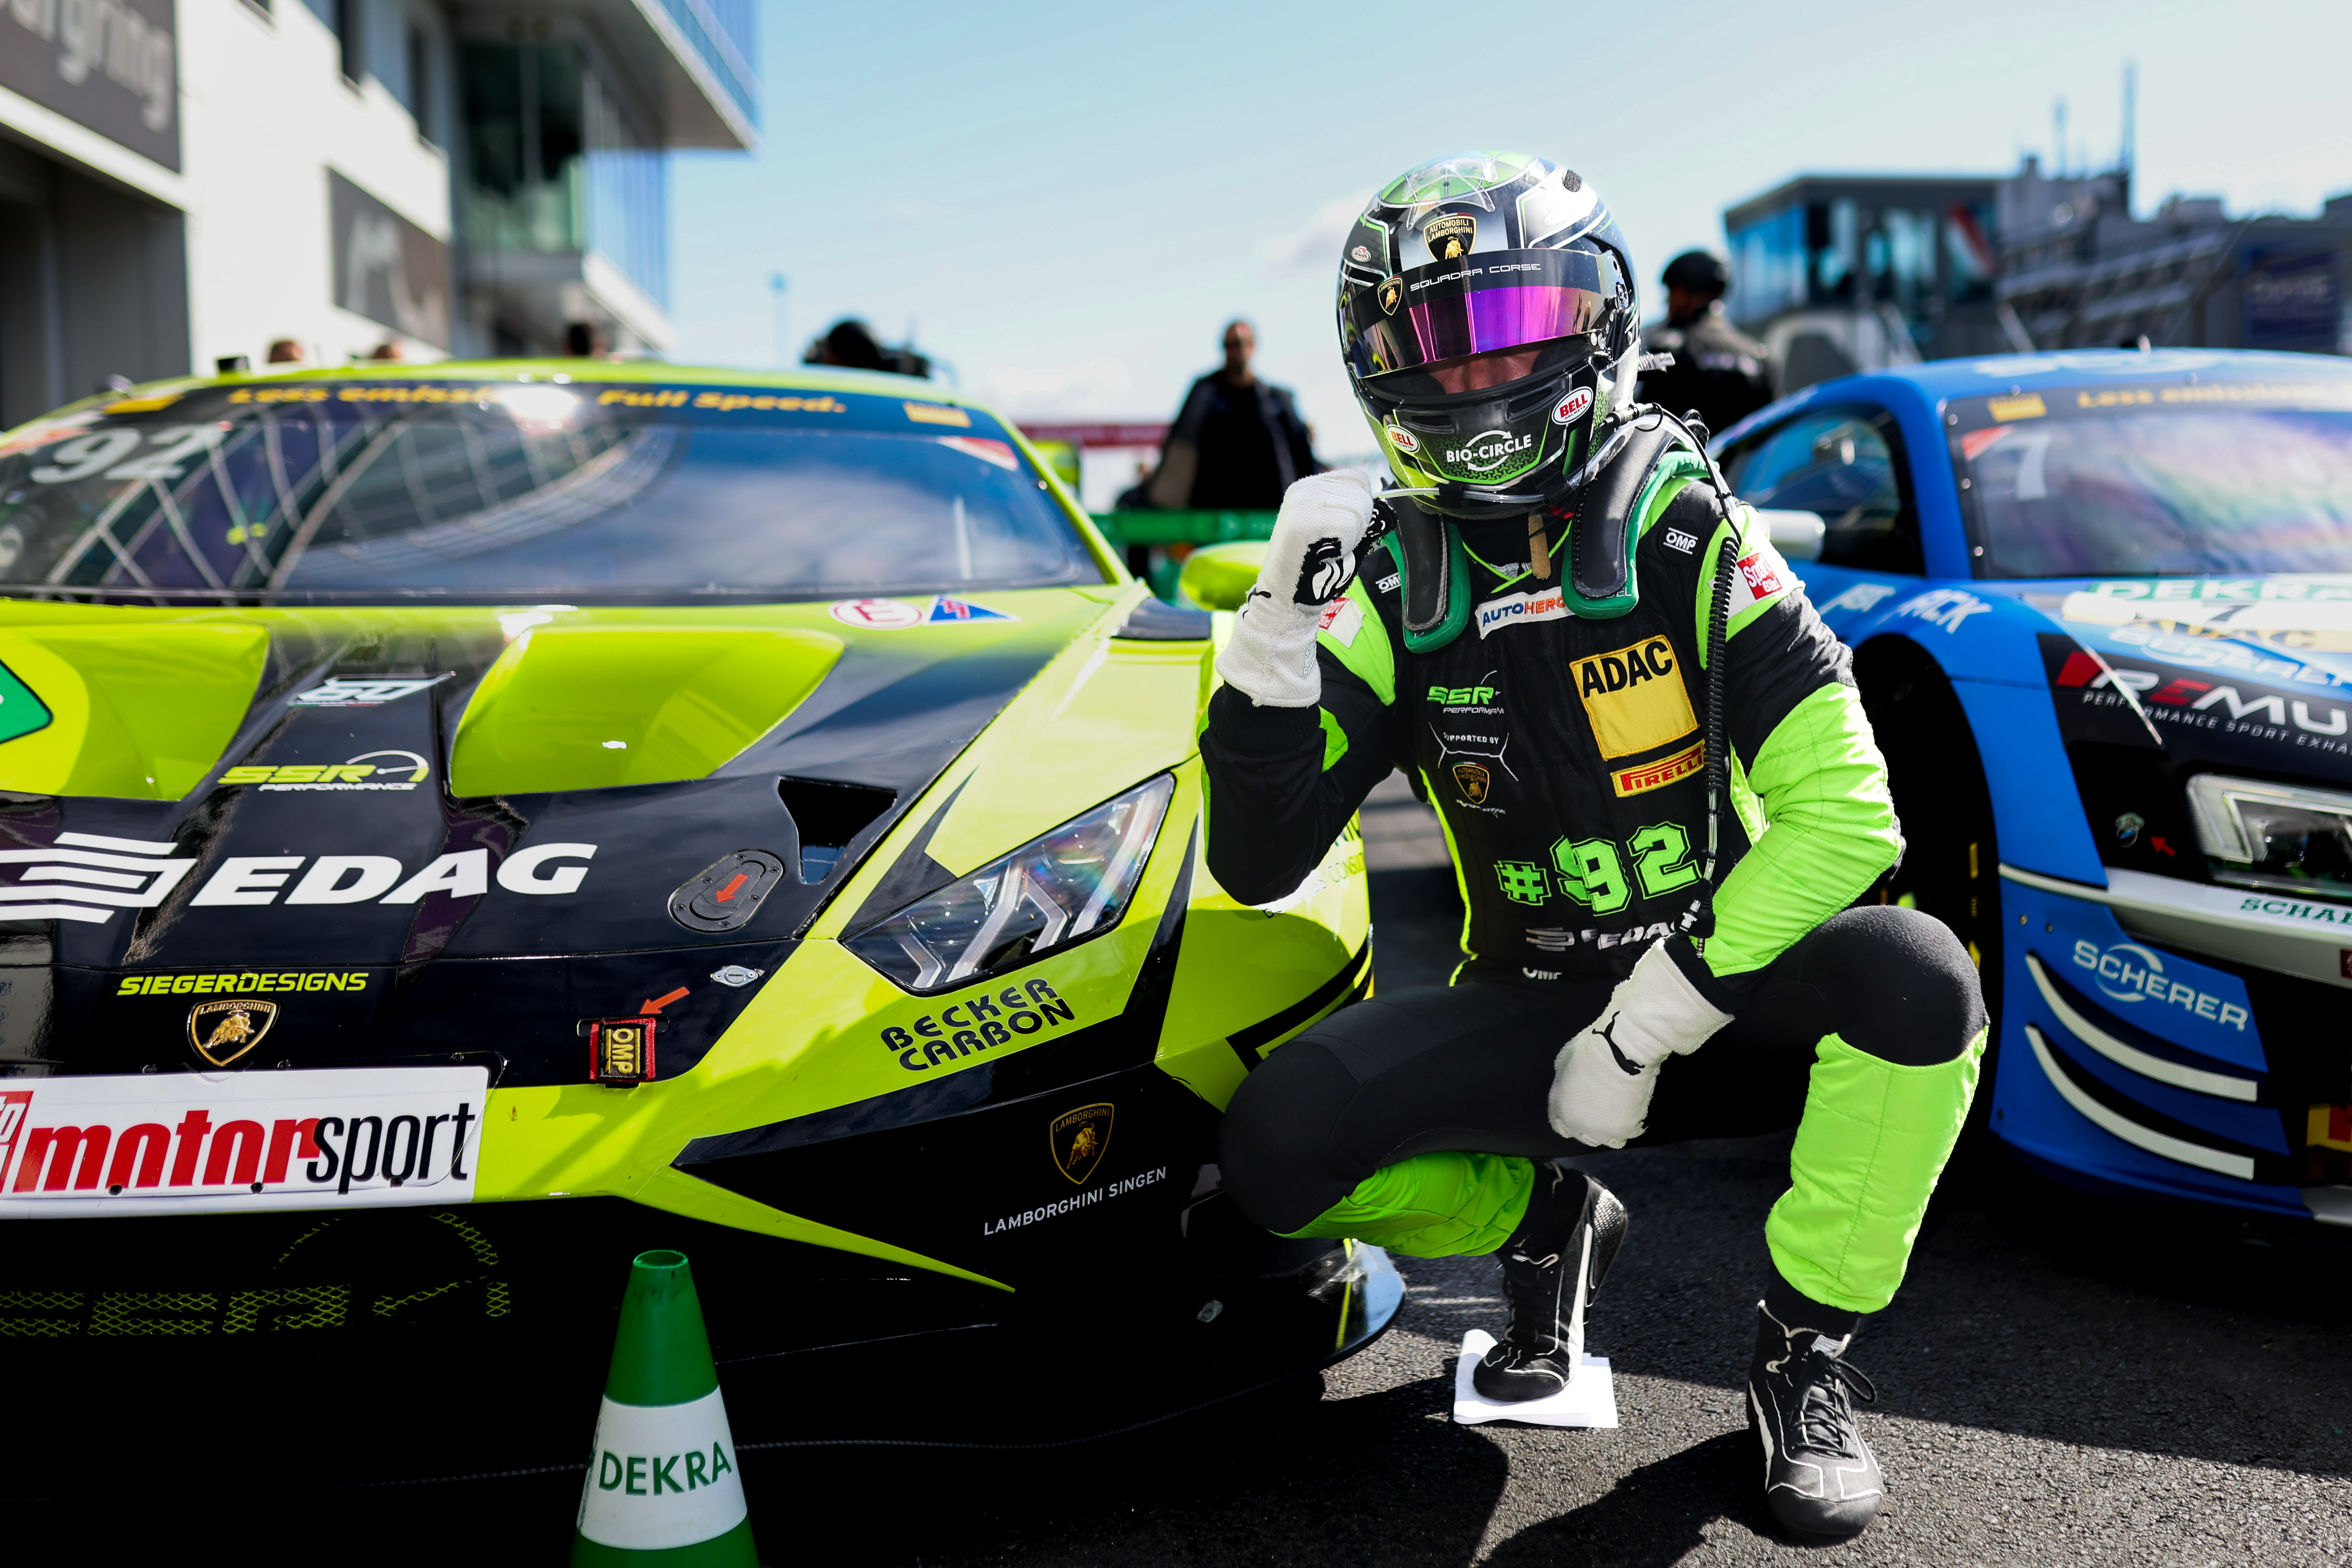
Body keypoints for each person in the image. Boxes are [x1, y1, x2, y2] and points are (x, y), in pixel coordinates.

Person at [1200, 152, 1984, 1540]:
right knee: (1278, 1148)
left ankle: (1805, 1355)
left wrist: (1647, 1030)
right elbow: (1262, 862)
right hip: (1537, 1012)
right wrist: (1270, 644)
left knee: (1919, 977)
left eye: (1500, 327)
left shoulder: (1684, 521)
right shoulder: (1387, 572)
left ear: (1597, 321)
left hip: (1724, 997)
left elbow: (1853, 815)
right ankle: (1539, 1226)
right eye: (1429, 341)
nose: (1467, 376)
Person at [1147, 320, 1320, 510]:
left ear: (1252, 346)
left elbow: (1302, 457)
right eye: (1228, 345)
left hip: (1267, 514)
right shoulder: (1205, 395)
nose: (1234, 352)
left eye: (1239, 343)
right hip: (1213, 514)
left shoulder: (1276, 401)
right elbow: (1178, 450)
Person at [1637, 249, 1774, 439]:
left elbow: (1646, 426)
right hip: (1745, 468)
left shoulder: (1669, 349)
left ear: (1682, 293)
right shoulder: (1760, 357)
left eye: (1670, 293)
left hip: (1689, 467)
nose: (1667, 302)